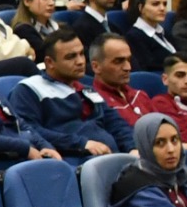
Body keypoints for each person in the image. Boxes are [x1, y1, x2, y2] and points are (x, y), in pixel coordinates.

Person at [9, 29, 131, 159]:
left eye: (81, 54)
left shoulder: (86, 90)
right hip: (73, 160)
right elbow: (29, 130)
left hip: (111, 157)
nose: (80, 61)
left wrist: (132, 148)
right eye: (71, 57)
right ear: (50, 62)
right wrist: (80, 143)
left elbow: (116, 124)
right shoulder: (29, 89)